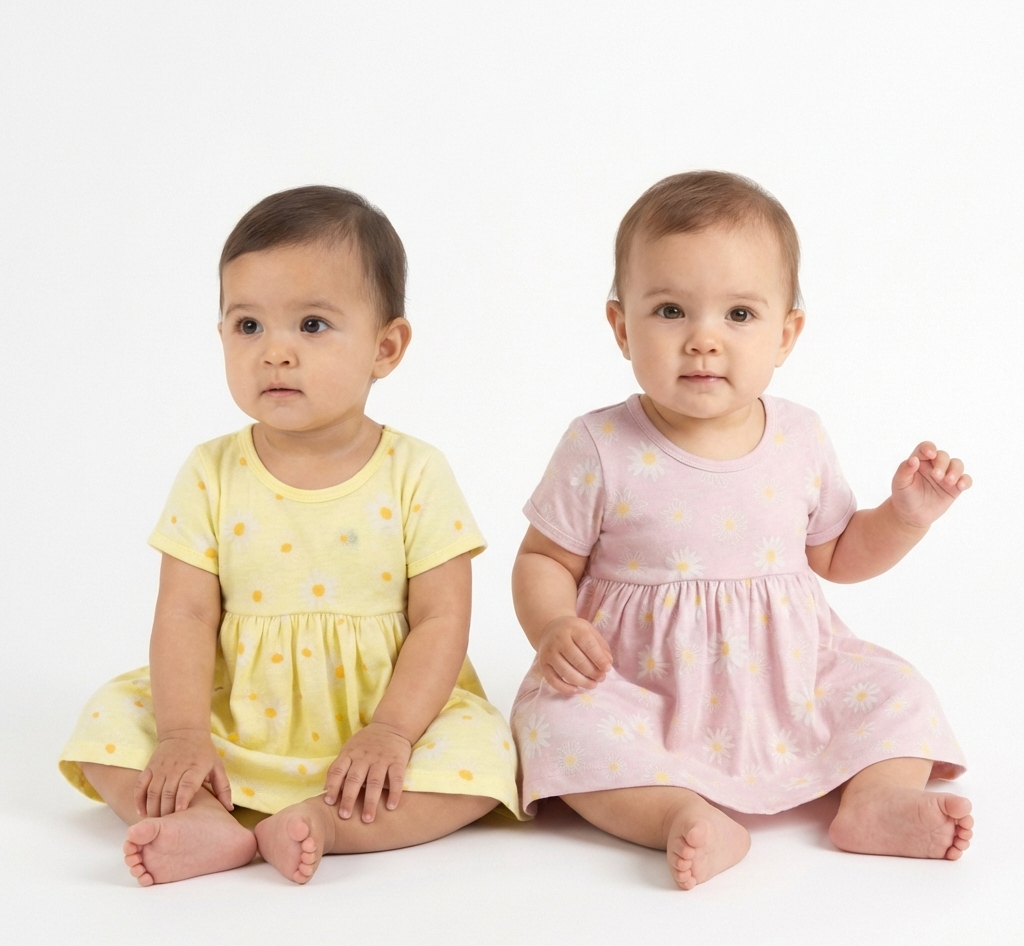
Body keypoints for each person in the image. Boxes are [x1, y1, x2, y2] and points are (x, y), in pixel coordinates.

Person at [509, 170, 972, 890]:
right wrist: (552, 626)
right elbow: (544, 558)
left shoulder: (800, 437)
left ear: (786, 334)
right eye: (670, 310)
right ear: (622, 327)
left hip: (790, 678)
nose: (703, 340)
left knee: (898, 689)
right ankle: (677, 813)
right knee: (559, 726)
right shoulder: (599, 444)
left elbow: (838, 555)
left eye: (739, 315)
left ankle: (876, 801)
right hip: (642, 685)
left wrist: (905, 517)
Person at [60, 186, 520, 885]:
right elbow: (185, 614)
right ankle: (205, 821)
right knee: (109, 720)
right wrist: (183, 734)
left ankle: (326, 823)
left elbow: (441, 619)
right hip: (234, 717)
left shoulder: (416, 472)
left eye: (311, 325)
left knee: (485, 753)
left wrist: (393, 731)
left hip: (382, 714)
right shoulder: (211, 471)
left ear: (386, 347)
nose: (275, 352)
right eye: (248, 326)